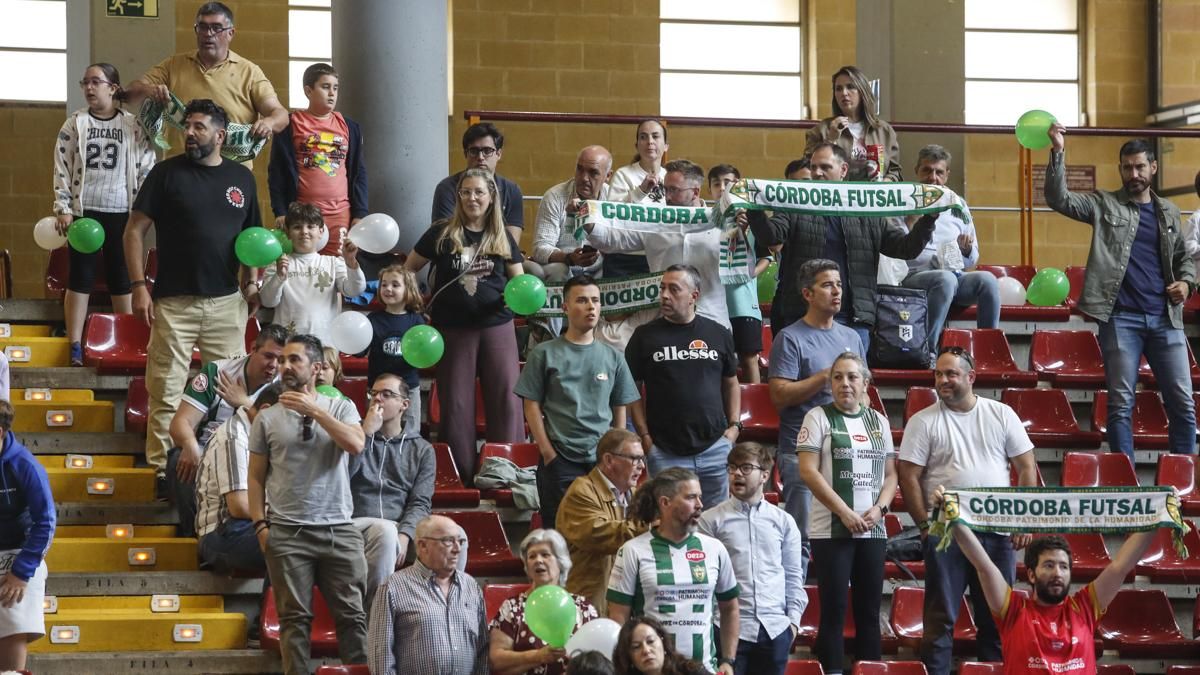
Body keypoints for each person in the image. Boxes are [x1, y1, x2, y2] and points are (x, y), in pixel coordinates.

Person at [124, 98, 262, 498]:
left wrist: (252, 284)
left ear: (220, 136)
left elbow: (253, 241)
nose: (190, 132)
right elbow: (134, 231)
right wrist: (138, 285)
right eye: (187, 126)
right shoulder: (165, 174)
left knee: (227, 392)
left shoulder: (242, 179)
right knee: (165, 388)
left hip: (226, 302)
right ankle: (163, 471)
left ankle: (222, 464)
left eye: (199, 127)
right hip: (173, 301)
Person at [1046, 124, 1197, 460]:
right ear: (1120, 170)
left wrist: (1187, 283)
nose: (1134, 173)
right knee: (1120, 403)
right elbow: (1059, 199)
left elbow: (1183, 259)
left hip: (1166, 318)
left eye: (1140, 166)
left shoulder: (1169, 212)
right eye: (1127, 167)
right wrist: (1058, 151)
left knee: (1183, 402)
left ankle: (1184, 473)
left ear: (1153, 168)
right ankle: (1124, 479)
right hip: (1120, 318)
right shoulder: (1103, 204)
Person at [897, 347, 1040, 675]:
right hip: (947, 534)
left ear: (971, 377)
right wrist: (924, 525)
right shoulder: (923, 421)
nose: (943, 380)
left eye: (951, 374)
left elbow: (1027, 468)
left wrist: (1023, 519)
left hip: (998, 532)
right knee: (940, 617)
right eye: (938, 374)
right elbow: (908, 475)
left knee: (998, 617)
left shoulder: (1001, 414)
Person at [933, 485, 1155, 675]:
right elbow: (984, 566)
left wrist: (1160, 515)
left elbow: (1120, 567)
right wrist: (953, 517)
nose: (1058, 573)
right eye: (1049, 565)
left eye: (1064, 567)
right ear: (1031, 574)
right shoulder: (1012, 610)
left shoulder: (1085, 607)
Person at [247, 335, 367, 675]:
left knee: (352, 617)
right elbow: (255, 478)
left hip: (339, 530)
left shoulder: (341, 407)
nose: (285, 366)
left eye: (294, 360)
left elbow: (356, 443)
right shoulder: (266, 418)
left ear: (316, 368)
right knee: (294, 621)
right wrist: (260, 526)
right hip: (287, 532)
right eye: (282, 360)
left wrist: (314, 410)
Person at [747, 142, 936, 343]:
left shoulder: (866, 209)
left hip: (854, 318)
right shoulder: (794, 206)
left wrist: (928, 219)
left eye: (825, 167)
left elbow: (905, 249)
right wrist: (754, 211)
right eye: (813, 167)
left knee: (853, 375)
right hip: (803, 315)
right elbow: (771, 237)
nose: (817, 173)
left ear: (843, 170)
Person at [405, 168, 525, 480]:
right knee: (456, 404)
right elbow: (409, 268)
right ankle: (459, 473)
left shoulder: (502, 237)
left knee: (505, 400)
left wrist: (518, 300)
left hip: (496, 327)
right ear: (459, 196)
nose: (472, 198)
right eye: (466, 192)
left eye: (479, 192)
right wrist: (416, 299)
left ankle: (506, 471)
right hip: (453, 329)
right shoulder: (441, 233)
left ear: (490, 198)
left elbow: (520, 282)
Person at [797, 352, 897, 675]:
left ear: (865, 383)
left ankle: (870, 669)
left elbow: (891, 474)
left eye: (852, 377)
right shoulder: (817, 417)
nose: (845, 384)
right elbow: (808, 472)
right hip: (830, 529)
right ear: (830, 383)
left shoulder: (878, 421)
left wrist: (880, 509)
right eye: (838, 377)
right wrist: (844, 512)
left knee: (868, 612)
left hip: (873, 531)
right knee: (834, 611)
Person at [516, 275, 640, 529]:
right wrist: (548, 452)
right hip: (560, 458)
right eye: (582, 300)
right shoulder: (544, 353)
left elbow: (620, 408)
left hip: (604, 460)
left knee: (607, 530)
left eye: (595, 300)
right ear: (565, 307)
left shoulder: (613, 356)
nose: (591, 307)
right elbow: (531, 405)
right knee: (560, 535)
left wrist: (618, 453)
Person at [52, 62, 155, 366]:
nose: (89, 88)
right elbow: (61, 165)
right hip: (85, 212)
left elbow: (147, 165)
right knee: (80, 276)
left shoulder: (132, 125)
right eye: (85, 82)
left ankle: (125, 338)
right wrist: (63, 207)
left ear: (113, 87)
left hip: (121, 211)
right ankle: (74, 344)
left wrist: (142, 211)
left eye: (95, 82)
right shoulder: (75, 123)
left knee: (120, 276)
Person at [768, 259, 865, 556]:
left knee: (847, 533)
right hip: (802, 449)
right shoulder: (790, 338)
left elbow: (864, 393)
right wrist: (824, 376)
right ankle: (800, 597)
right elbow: (780, 395)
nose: (836, 291)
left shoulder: (851, 338)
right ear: (807, 294)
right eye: (827, 285)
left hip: (846, 446)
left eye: (838, 284)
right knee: (802, 539)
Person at [625, 265, 740, 509]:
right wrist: (645, 436)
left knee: (714, 524)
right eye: (662, 288)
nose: (665, 295)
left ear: (694, 296)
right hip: (665, 451)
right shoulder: (643, 336)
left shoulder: (718, 333)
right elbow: (631, 391)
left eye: (674, 289)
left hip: (715, 447)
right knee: (667, 523)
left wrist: (734, 427)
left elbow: (731, 382)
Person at [607, 468, 740, 674]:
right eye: (690, 497)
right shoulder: (632, 551)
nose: (700, 505)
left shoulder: (715, 549)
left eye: (700, 497)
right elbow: (618, 618)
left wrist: (728, 660)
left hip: (704, 669)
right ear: (665, 502)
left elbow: (730, 607)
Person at [126, 2, 287, 165]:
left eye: (217, 28)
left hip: (231, 174)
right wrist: (148, 90)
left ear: (231, 33)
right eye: (202, 27)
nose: (208, 34)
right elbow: (130, 93)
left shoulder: (250, 72)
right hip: (180, 169)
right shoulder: (173, 65)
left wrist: (269, 122)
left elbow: (281, 114)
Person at [585, 160, 732, 334]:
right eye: (665, 189)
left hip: (712, 320)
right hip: (666, 323)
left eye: (674, 190)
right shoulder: (654, 223)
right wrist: (587, 221)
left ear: (695, 192)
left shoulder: (723, 225)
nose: (667, 196)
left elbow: (746, 266)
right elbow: (612, 241)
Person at [168, 324, 286, 536]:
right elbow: (179, 423)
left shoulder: (285, 385)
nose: (274, 365)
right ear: (253, 348)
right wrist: (189, 444)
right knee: (179, 457)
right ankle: (194, 537)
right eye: (268, 356)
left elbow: (279, 434)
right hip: (207, 454)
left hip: (254, 455)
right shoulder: (218, 371)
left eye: (281, 360)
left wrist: (244, 403)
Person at [697, 442, 805, 675]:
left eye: (746, 468)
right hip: (726, 630)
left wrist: (792, 624)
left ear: (764, 475)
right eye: (732, 467)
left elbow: (794, 576)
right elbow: (702, 579)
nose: (736, 473)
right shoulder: (710, 520)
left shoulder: (783, 521)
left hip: (774, 630)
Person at [900, 145, 999, 356]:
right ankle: (927, 352)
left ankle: (987, 351)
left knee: (988, 280)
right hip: (913, 276)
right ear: (917, 170)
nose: (932, 177)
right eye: (927, 170)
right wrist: (910, 222)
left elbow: (973, 258)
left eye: (939, 172)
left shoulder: (958, 205)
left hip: (953, 275)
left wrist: (966, 249)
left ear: (947, 175)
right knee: (945, 279)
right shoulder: (903, 201)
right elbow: (894, 248)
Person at [349, 375, 435, 614]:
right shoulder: (354, 436)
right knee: (386, 533)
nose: (377, 398)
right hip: (357, 523)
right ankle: (375, 618)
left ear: (404, 405)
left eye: (386, 394)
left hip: (399, 524)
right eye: (373, 393)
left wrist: (406, 534)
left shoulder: (422, 450)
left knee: (453, 537)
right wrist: (365, 434)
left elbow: (420, 501)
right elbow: (341, 477)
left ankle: (437, 615)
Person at [267, 62, 368, 256]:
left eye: (335, 88)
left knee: (338, 270)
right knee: (304, 270)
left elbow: (359, 172)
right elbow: (276, 172)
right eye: (325, 87)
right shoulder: (290, 124)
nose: (332, 93)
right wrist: (279, 210)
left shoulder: (349, 127)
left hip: (340, 214)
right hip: (302, 215)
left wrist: (360, 213)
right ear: (308, 90)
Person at [368, 514, 488, 675]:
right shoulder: (392, 587)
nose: (457, 548)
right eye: (448, 541)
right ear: (422, 545)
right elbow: (381, 658)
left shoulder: (471, 587)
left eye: (460, 541)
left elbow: (483, 652)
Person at [558, 428, 649, 613]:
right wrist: (651, 526)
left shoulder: (634, 494)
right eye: (634, 458)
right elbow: (602, 535)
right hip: (587, 603)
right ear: (609, 460)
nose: (641, 466)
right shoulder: (581, 492)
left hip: (621, 600)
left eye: (642, 459)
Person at [195, 383, 280, 575]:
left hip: (258, 523)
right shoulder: (234, 437)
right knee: (294, 545)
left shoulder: (268, 436)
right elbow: (240, 507)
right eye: (287, 420)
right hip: (222, 533)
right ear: (266, 412)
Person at [489, 529, 600, 675]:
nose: (538, 560)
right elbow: (495, 661)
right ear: (527, 568)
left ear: (560, 562)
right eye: (532, 556)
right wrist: (538, 656)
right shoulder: (512, 608)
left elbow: (598, 661)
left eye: (545, 554)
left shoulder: (583, 608)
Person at [254, 201, 365, 345]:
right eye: (297, 227)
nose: (304, 231)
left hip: (324, 344)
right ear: (288, 232)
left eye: (310, 226)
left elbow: (355, 290)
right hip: (287, 345)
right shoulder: (278, 265)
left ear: (320, 232)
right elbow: (268, 301)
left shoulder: (332, 263)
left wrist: (351, 263)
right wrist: (279, 277)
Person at [0, 400, 55, 672]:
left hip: (19, 552)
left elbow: (45, 523)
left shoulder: (25, 465)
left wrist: (20, 573)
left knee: (11, 607)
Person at [709, 163, 771, 383]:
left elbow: (768, 255)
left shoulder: (752, 217)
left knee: (749, 357)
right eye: (717, 184)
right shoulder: (704, 220)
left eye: (728, 182)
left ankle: (752, 409)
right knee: (716, 360)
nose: (722, 187)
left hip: (743, 302)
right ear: (710, 190)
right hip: (714, 304)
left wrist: (751, 273)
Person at [804, 65, 901, 182]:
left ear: (862, 91)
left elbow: (895, 171)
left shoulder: (884, 131)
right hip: (837, 196)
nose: (844, 93)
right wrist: (830, 140)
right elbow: (807, 168)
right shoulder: (821, 130)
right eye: (838, 89)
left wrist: (884, 184)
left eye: (850, 87)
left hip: (874, 196)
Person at [432, 122, 525, 243]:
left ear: (498, 154)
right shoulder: (446, 188)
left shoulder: (512, 190)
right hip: (457, 256)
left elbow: (512, 243)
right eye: (474, 151)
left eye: (487, 151)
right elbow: (445, 239)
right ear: (466, 154)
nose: (480, 157)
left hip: (499, 257)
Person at [531, 146, 612, 281]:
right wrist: (568, 258)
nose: (584, 178)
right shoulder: (555, 196)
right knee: (557, 269)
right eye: (580, 169)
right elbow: (540, 248)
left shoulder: (613, 198)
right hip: (564, 265)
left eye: (593, 173)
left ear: (608, 176)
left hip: (601, 268)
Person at [603, 119, 670, 277]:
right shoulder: (623, 174)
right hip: (624, 258)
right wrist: (640, 190)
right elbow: (612, 216)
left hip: (662, 255)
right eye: (643, 137)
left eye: (655, 136)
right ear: (637, 145)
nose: (650, 142)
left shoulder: (671, 177)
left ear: (666, 145)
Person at [365, 264, 425, 435]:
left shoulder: (416, 321)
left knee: (411, 433)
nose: (388, 289)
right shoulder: (373, 319)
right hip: (377, 389)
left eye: (395, 285)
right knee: (375, 432)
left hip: (409, 389)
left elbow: (423, 355)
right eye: (384, 284)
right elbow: (359, 350)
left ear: (408, 289)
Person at [611, 616, 708, 675]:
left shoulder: (691, 671)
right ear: (628, 657)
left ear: (663, 642)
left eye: (651, 641)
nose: (646, 650)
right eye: (636, 646)